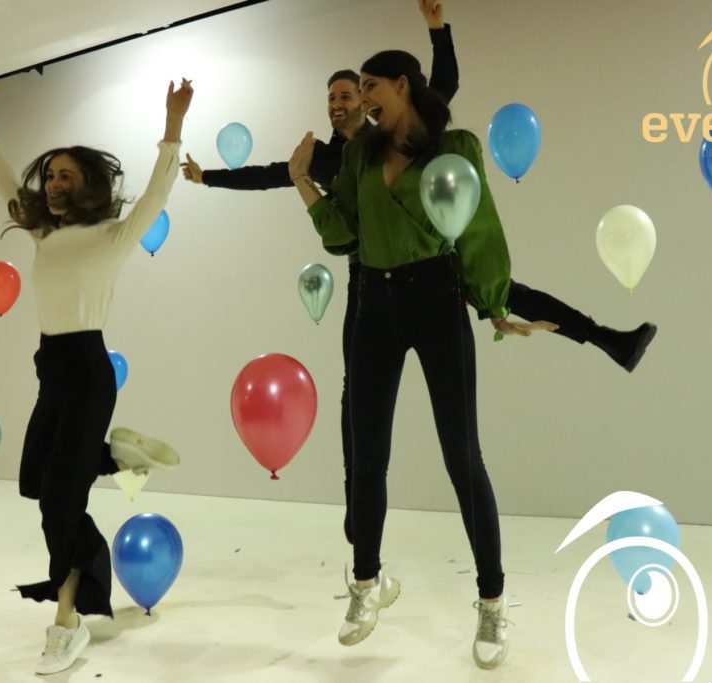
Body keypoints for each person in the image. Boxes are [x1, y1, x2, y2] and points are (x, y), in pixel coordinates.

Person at [184, 0, 656, 548]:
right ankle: (360, 513)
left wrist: (438, 30)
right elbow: (270, 175)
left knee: (509, 293)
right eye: (334, 97)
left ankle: (608, 338)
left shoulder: (410, 134)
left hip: (431, 266)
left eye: (352, 93)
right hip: (371, 283)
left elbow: (442, 83)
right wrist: (207, 177)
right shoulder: (336, 159)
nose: (343, 103)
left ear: (378, 97)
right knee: (357, 400)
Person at [289, 49, 539, 670]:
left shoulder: (453, 146)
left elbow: (479, 227)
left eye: (371, 86)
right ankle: (366, 585)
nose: (363, 98)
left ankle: (491, 600)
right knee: (367, 455)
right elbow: (343, 234)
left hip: (436, 299)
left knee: (462, 457)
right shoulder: (360, 154)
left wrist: (493, 305)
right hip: (374, 305)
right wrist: (302, 183)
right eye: (359, 88)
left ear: (402, 85)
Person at [0, 77, 192, 675]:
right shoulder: (44, 234)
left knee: (59, 505)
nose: (54, 182)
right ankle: (116, 456)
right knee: (34, 480)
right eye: (50, 175)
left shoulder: (113, 236)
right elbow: (7, 186)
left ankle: (66, 623)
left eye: (66, 175)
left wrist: (172, 125)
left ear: (88, 184)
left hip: (90, 374)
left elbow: (157, 191)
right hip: (53, 372)